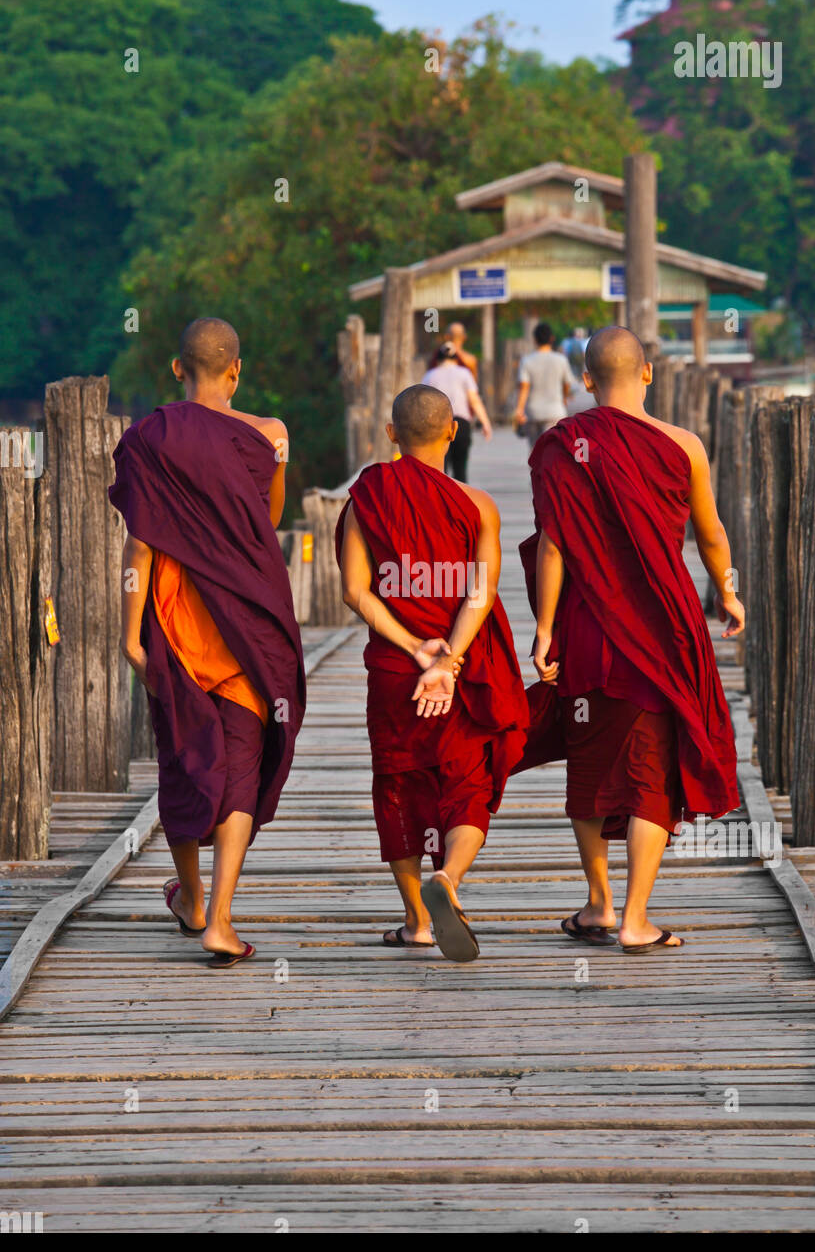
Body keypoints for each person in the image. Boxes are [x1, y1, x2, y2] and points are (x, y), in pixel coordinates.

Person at [518, 325, 743, 953]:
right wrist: (726, 591)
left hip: (589, 627)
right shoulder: (684, 446)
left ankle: (599, 903)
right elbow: (712, 534)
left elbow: (555, 544)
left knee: (589, 761)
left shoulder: (563, 445)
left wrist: (543, 629)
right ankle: (638, 918)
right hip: (664, 627)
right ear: (648, 373)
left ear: (586, 380)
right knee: (651, 771)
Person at [109, 318, 306, 969]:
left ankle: (190, 898)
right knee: (240, 768)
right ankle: (219, 918)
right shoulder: (269, 435)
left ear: (175, 368)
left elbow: (141, 541)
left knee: (188, 763)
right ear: (236, 371)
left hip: (177, 621)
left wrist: (131, 632)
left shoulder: (147, 438)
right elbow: (269, 519)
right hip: (250, 622)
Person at [336, 384, 528, 962]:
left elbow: (355, 592)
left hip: (397, 670)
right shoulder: (478, 504)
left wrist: (417, 650)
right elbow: (481, 590)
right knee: (465, 784)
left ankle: (417, 920)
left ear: (391, 434)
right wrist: (448, 661)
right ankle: (449, 878)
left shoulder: (368, 495)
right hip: (460, 672)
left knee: (397, 784)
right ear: (453, 432)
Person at [422, 341, 492, 483]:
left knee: (440, 470)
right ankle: (461, 501)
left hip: (437, 426)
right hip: (461, 425)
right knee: (460, 469)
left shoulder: (430, 375)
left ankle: (441, 501)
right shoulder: (464, 373)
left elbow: (423, 404)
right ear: (455, 359)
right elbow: (474, 400)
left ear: (438, 359)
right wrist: (485, 423)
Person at [513, 321, 579, 445]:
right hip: (555, 412)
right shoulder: (561, 360)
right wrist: (564, 397)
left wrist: (519, 410)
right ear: (552, 339)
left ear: (534, 340)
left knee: (535, 452)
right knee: (552, 452)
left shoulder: (526, 361)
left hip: (533, 413)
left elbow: (524, 387)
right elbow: (568, 384)